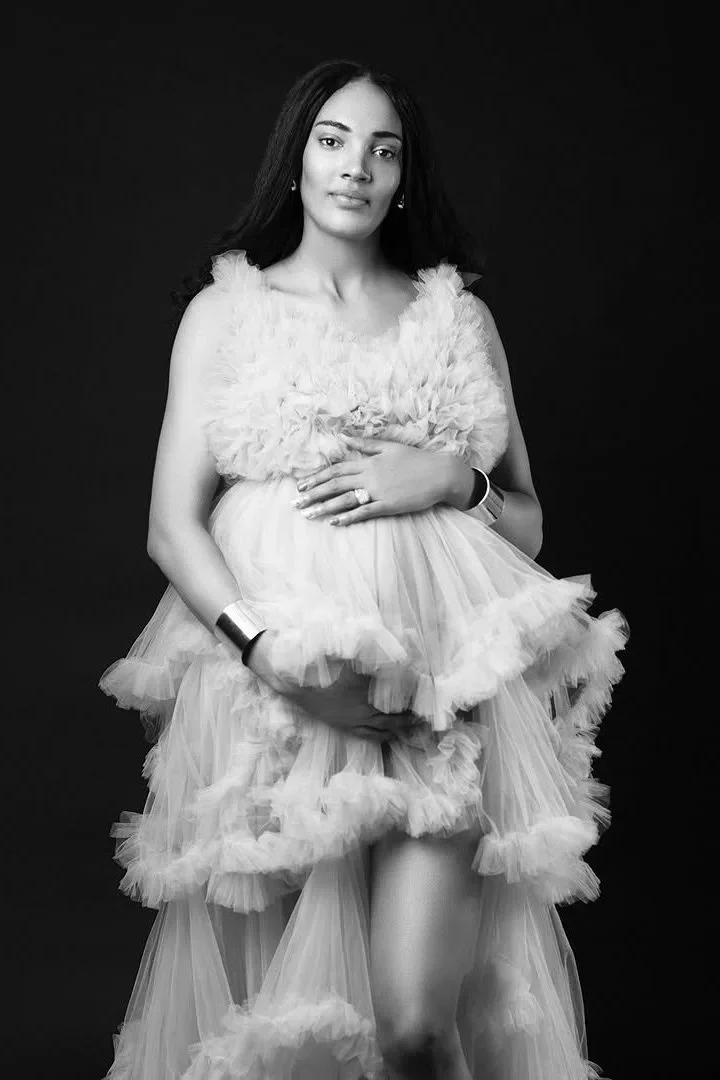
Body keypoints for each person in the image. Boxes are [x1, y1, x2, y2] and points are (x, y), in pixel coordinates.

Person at [99, 58, 628, 1080]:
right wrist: (278, 663)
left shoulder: (457, 317)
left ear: (405, 177)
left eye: (384, 151)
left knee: (417, 1028)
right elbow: (173, 528)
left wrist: (449, 478)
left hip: (437, 694)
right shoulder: (228, 314)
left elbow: (525, 522)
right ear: (296, 163)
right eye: (335, 142)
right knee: (291, 1031)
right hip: (280, 706)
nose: (357, 168)